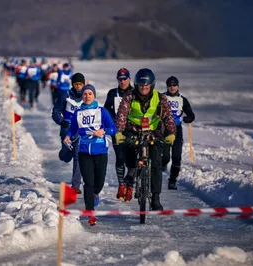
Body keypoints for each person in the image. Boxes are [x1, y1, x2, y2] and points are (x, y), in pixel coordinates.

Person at [115, 68, 176, 210]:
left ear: (152, 86)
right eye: (141, 86)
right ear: (137, 85)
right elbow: (122, 114)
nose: (144, 89)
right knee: (127, 146)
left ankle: (155, 198)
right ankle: (131, 169)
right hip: (133, 130)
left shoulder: (160, 97)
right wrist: (119, 132)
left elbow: (168, 116)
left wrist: (171, 133)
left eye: (147, 86)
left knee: (156, 162)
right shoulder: (129, 96)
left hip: (153, 132)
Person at [64, 84, 117, 226]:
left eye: (90, 94)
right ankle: (90, 212)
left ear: (94, 96)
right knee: (88, 183)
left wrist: (104, 131)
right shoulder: (78, 113)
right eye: (85, 94)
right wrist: (68, 136)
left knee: (98, 183)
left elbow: (114, 128)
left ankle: (96, 193)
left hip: (100, 151)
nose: (87, 96)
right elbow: (73, 128)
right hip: (84, 151)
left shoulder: (102, 111)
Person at [52, 73, 86, 194]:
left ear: (84, 84)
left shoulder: (86, 97)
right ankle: (63, 153)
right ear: (73, 84)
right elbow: (55, 112)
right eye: (76, 84)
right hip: (66, 132)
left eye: (80, 84)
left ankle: (75, 186)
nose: (78, 86)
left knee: (78, 157)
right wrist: (62, 122)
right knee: (66, 157)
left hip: (80, 132)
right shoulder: (65, 96)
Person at [103, 68, 134, 200]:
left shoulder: (135, 92)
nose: (122, 81)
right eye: (120, 79)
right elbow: (106, 110)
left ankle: (130, 186)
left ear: (129, 79)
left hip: (133, 130)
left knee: (133, 160)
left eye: (125, 79)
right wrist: (111, 124)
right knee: (120, 157)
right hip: (118, 130)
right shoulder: (112, 93)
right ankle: (122, 185)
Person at [162, 76, 195, 190]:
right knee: (165, 157)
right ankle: (159, 170)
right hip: (163, 130)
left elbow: (191, 114)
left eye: (174, 85)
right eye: (170, 85)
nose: (172, 87)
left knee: (176, 157)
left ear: (178, 86)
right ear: (167, 86)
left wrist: (188, 118)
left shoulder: (182, 100)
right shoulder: (162, 98)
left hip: (177, 130)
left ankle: (172, 181)